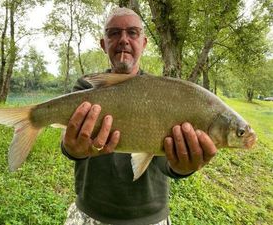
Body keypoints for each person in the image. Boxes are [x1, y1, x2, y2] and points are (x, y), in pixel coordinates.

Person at [61, 7, 217, 225]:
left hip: (150, 218)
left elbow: (166, 163)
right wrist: (72, 149)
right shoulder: (86, 87)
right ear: (103, 44)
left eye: (132, 32)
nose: (123, 40)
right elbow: (69, 145)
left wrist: (182, 167)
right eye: (114, 33)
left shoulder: (164, 92)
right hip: (90, 212)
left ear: (143, 42)